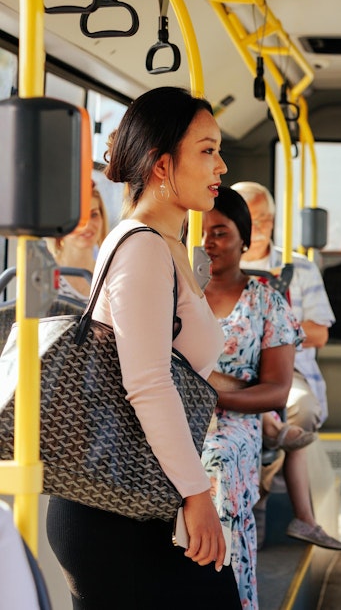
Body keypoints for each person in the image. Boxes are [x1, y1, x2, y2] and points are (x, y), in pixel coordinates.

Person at [46, 86, 240, 608]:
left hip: (134, 493)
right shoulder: (142, 249)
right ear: (161, 164)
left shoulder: (164, 244)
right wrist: (197, 496)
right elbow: (149, 382)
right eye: (207, 150)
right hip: (115, 509)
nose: (221, 165)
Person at [201, 186, 304, 608]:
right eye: (200, 233)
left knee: (218, 459)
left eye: (219, 232)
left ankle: (224, 590)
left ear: (244, 239)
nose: (207, 243)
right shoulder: (175, 295)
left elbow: (276, 389)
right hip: (172, 414)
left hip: (236, 422)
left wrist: (211, 393)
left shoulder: (266, 302)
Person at [231, 181, 341, 550]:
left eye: (266, 218)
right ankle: (293, 514)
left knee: (301, 408)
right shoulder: (214, 264)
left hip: (288, 369)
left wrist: (268, 334)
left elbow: (319, 332)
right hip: (232, 369)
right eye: (252, 219)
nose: (260, 227)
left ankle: (262, 501)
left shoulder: (300, 268)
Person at [46, 182, 109, 301]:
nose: (87, 225)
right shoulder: (44, 276)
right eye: (78, 217)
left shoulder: (108, 277)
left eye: (94, 215)